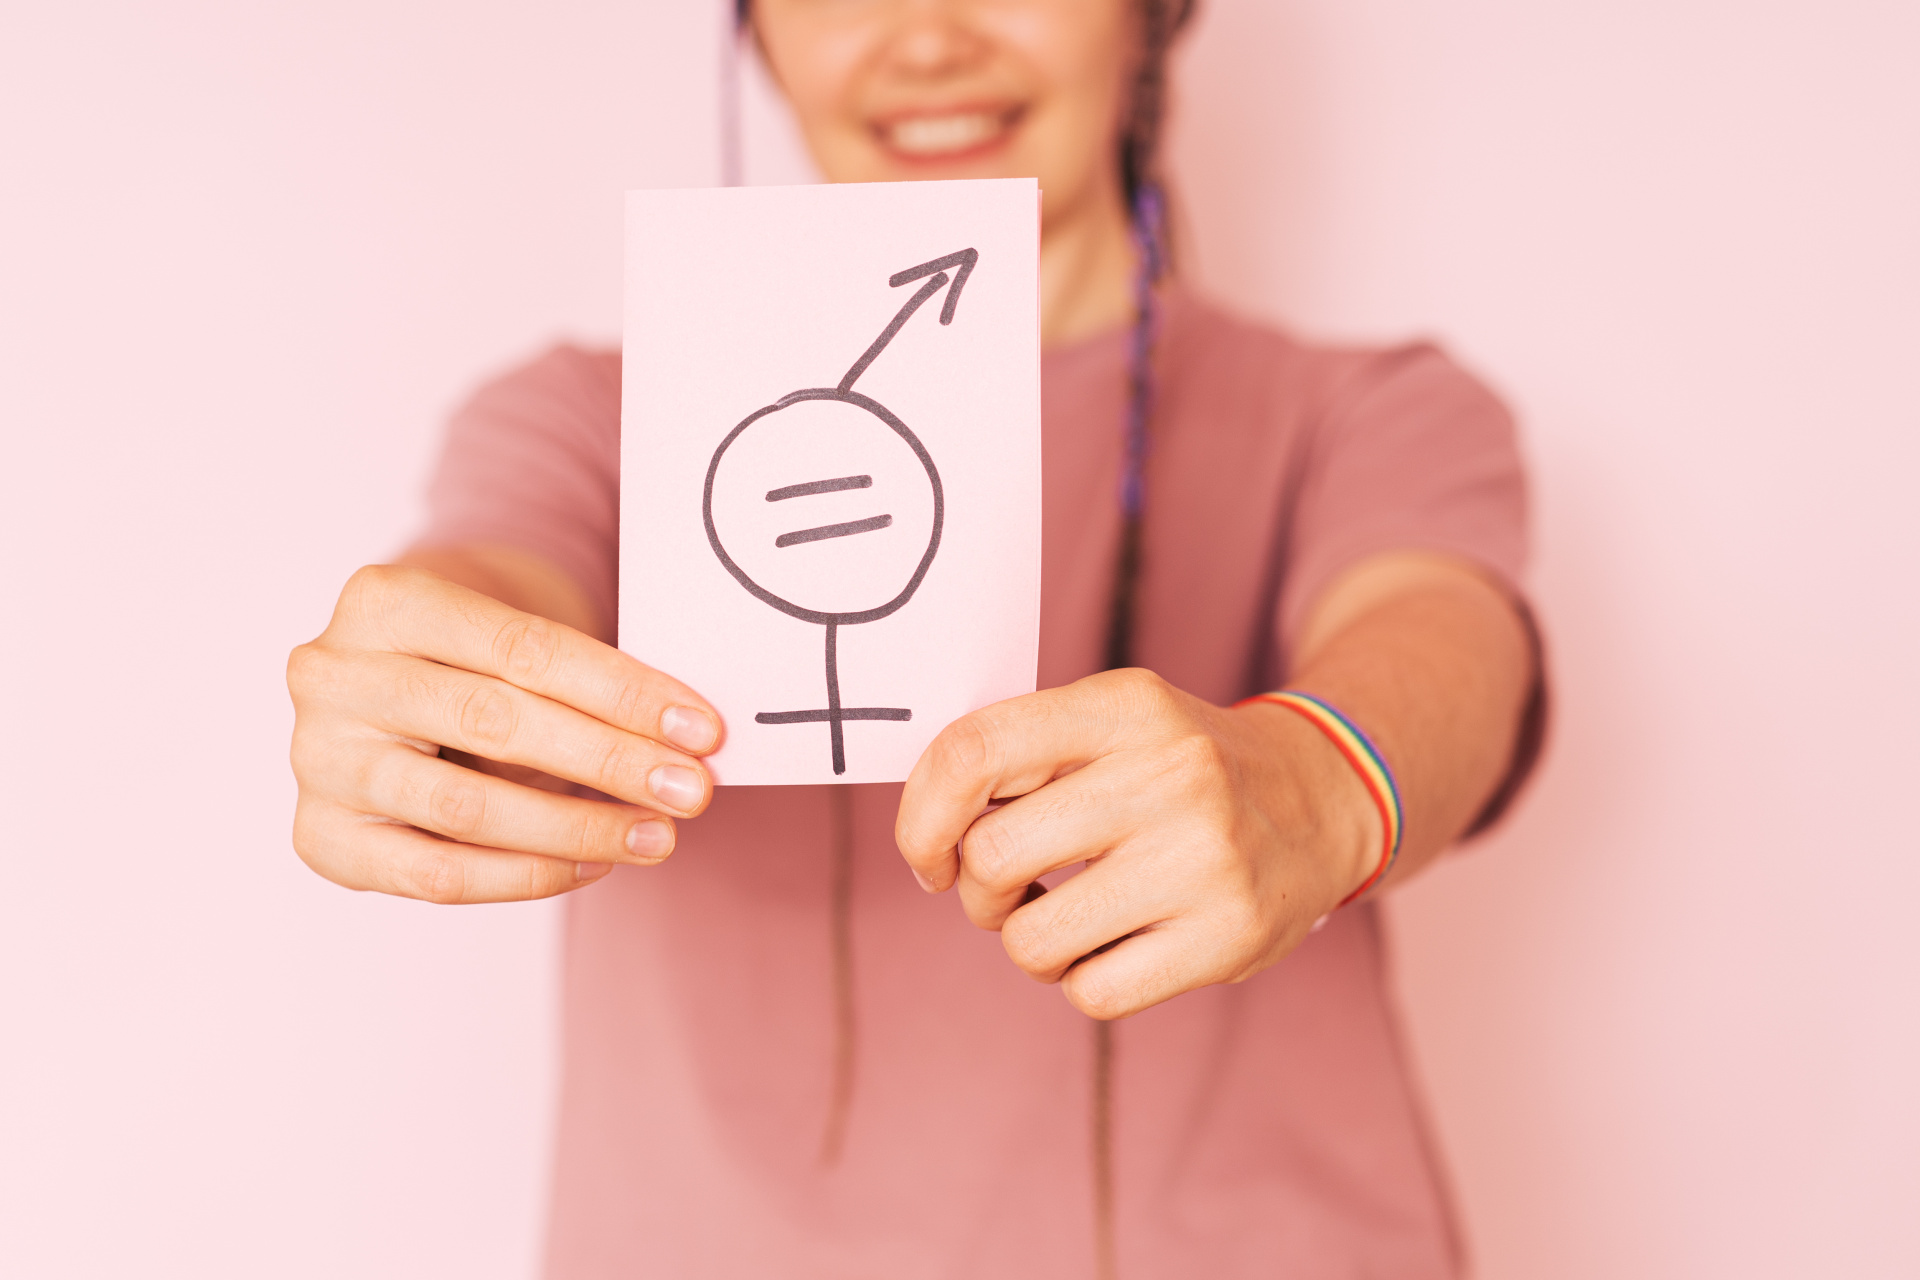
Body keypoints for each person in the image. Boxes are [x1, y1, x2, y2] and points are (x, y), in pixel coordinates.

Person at [286, 1, 1543, 1275]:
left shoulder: (1368, 410)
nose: (927, 37)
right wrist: (433, 687)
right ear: (757, 34)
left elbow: (1442, 637)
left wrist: (1317, 780)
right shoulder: (586, 418)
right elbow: (500, 567)